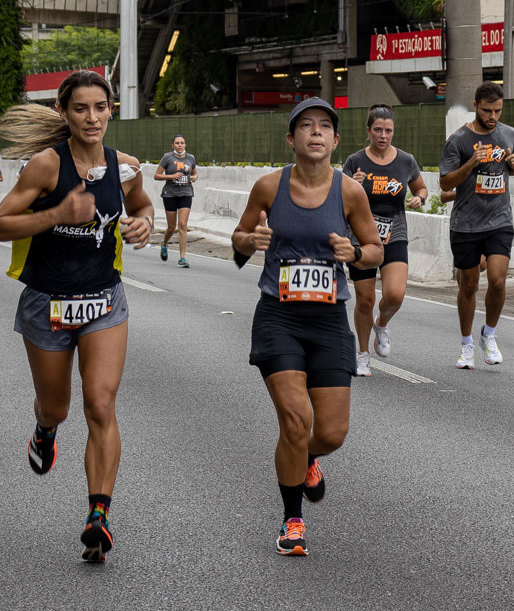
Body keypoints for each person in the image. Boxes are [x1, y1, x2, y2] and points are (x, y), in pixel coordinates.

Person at [0, 70, 154, 563]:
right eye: (80, 108)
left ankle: (98, 516)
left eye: (100, 108)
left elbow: (142, 206)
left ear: (110, 110)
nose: (92, 118)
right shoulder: (46, 166)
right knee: (56, 407)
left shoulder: (125, 167)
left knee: (100, 405)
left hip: (104, 299)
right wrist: (56, 215)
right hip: (47, 302)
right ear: (64, 112)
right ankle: (45, 429)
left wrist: (143, 224)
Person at [231, 97, 382, 556]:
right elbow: (237, 243)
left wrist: (355, 253)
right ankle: (292, 519)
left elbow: (376, 249)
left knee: (331, 433)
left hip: (329, 320)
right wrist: (252, 240)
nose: (316, 133)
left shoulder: (350, 192)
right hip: (279, 317)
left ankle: (308, 458)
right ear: (291, 138)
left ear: (335, 141)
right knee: (296, 421)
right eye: (306, 126)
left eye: (324, 127)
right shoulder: (268, 187)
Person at [439, 82, 514, 369]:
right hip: (466, 223)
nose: (493, 116)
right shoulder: (459, 140)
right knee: (469, 285)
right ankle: (466, 344)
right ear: (475, 106)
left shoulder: (508, 133)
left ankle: (490, 333)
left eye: (497, 110)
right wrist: (471, 163)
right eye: (487, 110)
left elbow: (509, 170)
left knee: (498, 280)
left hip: (499, 219)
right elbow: (445, 182)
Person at [342, 103, 427, 376]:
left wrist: (420, 198)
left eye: (388, 130)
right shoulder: (355, 161)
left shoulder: (405, 161)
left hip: (395, 233)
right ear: (368, 131)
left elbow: (421, 187)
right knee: (365, 299)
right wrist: (353, 184)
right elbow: (339, 198)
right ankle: (363, 354)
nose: (383, 135)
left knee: (395, 294)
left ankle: (382, 323)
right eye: (378, 130)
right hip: (361, 237)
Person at [154, 134, 197, 268]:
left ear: (185, 145)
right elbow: (156, 175)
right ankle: (164, 244)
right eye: (177, 143)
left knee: (183, 224)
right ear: (173, 145)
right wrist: (172, 176)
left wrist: (194, 177)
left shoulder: (190, 158)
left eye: (182, 143)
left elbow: (195, 173)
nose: (179, 145)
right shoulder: (167, 157)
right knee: (171, 227)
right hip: (170, 194)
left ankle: (182, 258)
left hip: (186, 193)